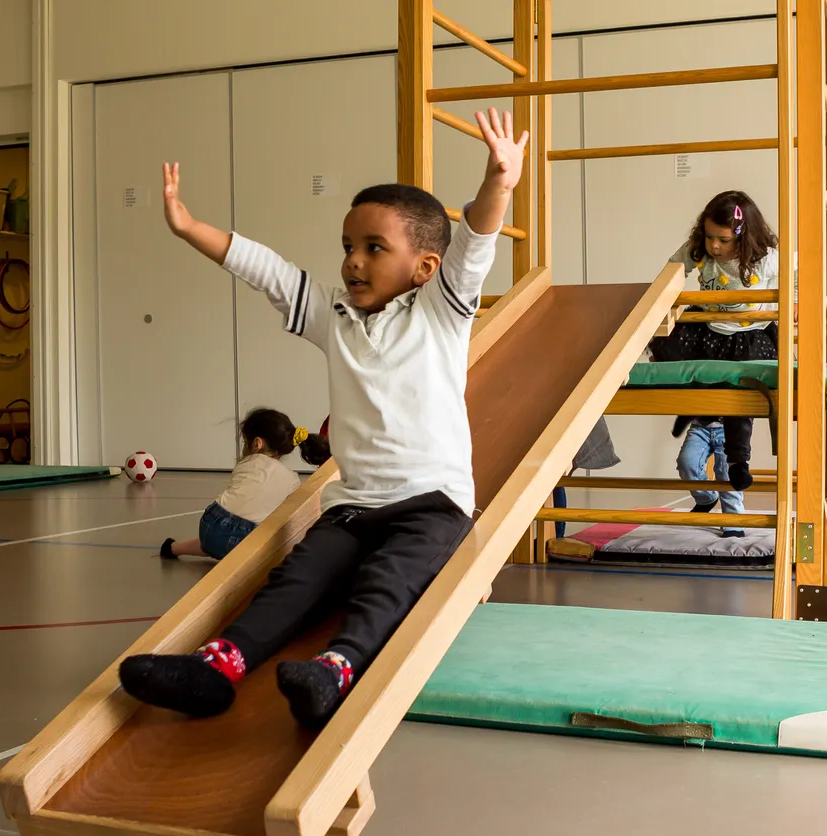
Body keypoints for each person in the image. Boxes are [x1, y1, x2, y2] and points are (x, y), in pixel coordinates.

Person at [118, 107, 527, 729]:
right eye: (347, 248)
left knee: (389, 583)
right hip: (353, 504)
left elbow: (474, 243)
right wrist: (188, 226)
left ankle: (337, 669)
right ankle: (216, 669)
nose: (353, 262)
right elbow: (266, 270)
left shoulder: (440, 311)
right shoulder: (332, 316)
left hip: (432, 504)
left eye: (373, 248)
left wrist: (499, 180)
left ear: (422, 268)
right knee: (297, 578)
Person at [648, 190, 793, 492]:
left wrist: (782, 312)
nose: (714, 245)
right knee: (661, 341)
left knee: (739, 387)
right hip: (708, 327)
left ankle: (739, 460)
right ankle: (696, 408)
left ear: (743, 238)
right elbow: (669, 275)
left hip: (748, 336)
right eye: (709, 236)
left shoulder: (765, 259)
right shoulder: (699, 249)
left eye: (724, 240)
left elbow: (792, 290)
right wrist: (664, 301)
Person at [160, 408, 329, 561]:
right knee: (264, 534)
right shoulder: (292, 479)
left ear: (257, 443)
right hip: (244, 539)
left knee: (220, 536)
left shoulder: (246, 462)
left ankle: (173, 548)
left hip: (210, 524)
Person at [675, 417, 744, 537]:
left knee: (726, 471)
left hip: (728, 427)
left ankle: (733, 520)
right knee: (687, 463)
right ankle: (706, 498)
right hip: (699, 427)